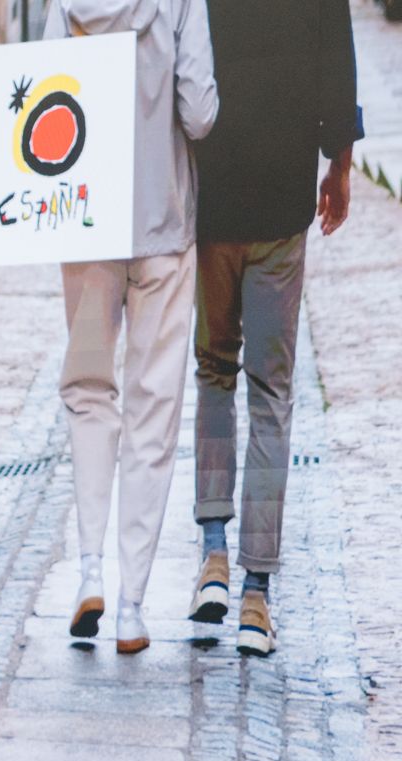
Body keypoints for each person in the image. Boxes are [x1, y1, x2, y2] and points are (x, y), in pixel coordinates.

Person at [188, 0, 362, 655]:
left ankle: (213, 554)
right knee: (270, 391)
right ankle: (256, 594)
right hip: (283, 195)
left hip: (215, 195)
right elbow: (334, 56)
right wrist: (338, 162)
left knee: (213, 370)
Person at [45, 0, 218, 652]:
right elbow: (200, 114)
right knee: (153, 409)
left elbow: (45, 91)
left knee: (89, 390)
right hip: (163, 227)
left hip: (86, 223)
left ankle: (88, 568)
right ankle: (132, 608)